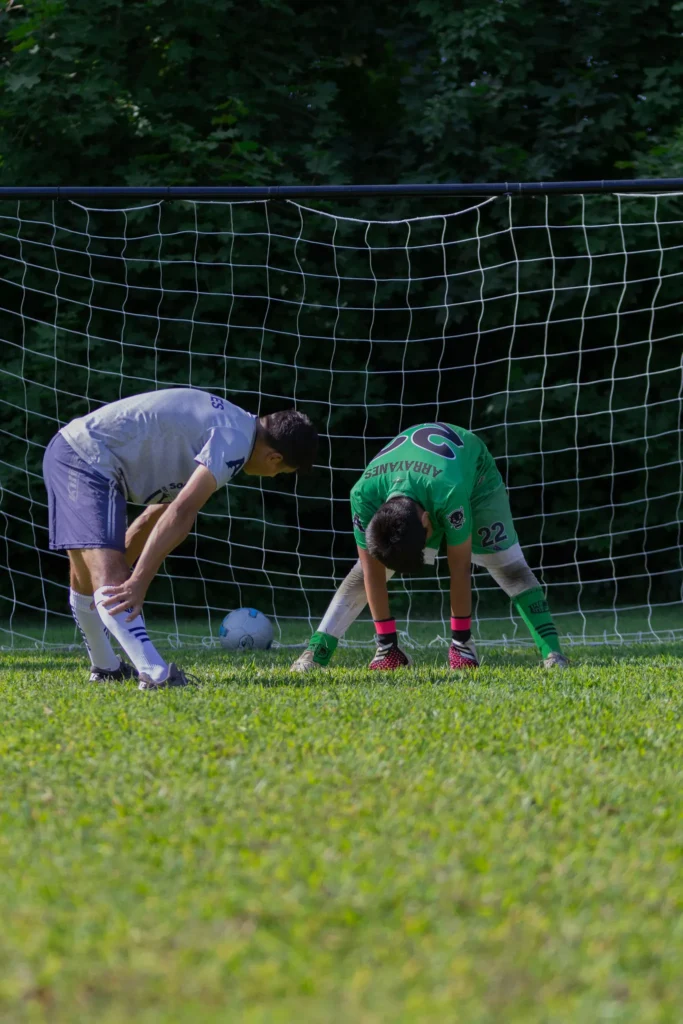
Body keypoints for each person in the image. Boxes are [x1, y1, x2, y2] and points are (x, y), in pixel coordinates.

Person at [43, 388, 318, 689]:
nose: (273, 476)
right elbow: (182, 512)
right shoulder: (234, 442)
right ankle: (156, 675)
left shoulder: (232, 427)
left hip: (74, 452)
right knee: (109, 575)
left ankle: (106, 668)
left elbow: (154, 516)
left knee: (87, 576)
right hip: (87, 459)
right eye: (280, 472)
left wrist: (129, 570)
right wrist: (137, 581)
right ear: (274, 457)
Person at [291, 421, 568, 672]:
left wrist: (461, 642)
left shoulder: (449, 492)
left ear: (427, 521)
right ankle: (315, 652)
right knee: (362, 574)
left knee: (508, 567)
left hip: (474, 478)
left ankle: (553, 654)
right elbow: (371, 572)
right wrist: (386, 645)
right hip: (421, 484)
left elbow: (459, 569)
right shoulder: (362, 496)